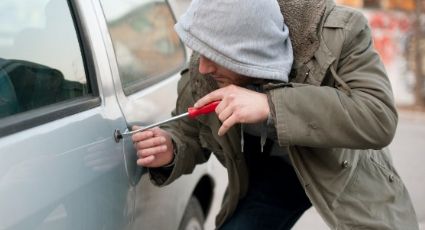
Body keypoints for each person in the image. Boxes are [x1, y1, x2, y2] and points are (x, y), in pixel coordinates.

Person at [132, 0, 419, 229]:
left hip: (344, 169)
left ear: (248, 51)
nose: (204, 67)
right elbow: (191, 130)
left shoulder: (341, 34)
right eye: (201, 53)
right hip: (274, 177)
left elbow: (378, 116)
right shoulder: (207, 64)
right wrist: (171, 148)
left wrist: (270, 105)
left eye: (215, 56)